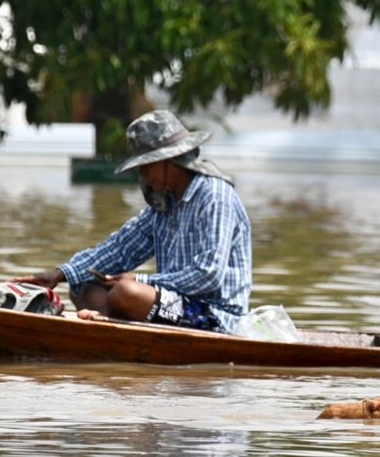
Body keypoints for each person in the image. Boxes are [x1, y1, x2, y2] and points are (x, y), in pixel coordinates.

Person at [14, 110, 253, 332]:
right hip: (174, 306)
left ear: (172, 160)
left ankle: (111, 325)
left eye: (148, 166)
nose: (144, 175)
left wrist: (140, 280)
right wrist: (60, 273)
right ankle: (113, 329)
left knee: (126, 291)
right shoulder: (163, 205)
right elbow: (119, 248)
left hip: (216, 316)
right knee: (83, 284)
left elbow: (208, 276)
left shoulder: (214, 196)